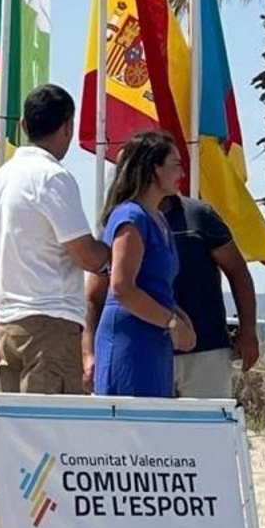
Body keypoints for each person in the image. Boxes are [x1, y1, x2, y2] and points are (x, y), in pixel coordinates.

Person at [0, 84, 110, 394]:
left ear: (24, 125)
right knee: (51, 435)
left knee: (18, 435)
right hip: (51, 326)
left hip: (9, 327)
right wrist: (114, 258)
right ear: (68, 126)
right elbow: (84, 253)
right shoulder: (52, 177)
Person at [83, 192, 261, 398]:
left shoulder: (199, 215)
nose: (181, 172)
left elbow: (237, 271)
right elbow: (96, 295)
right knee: (144, 429)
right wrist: (89, 353)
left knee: (205, 428)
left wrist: (248, 330)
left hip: (204, 351)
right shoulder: (122, 222)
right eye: (173, 163)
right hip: (141, 353)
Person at [88, 131, 195, 398]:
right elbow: (123, 287)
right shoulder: (131, 217)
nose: (182, 172)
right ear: (152, 169)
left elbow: (156, 286)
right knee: (127, 431)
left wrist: (182, 320)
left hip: (154, 340)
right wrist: (170, 323)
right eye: (175, 164)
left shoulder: (158, 218)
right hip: (130, 341)